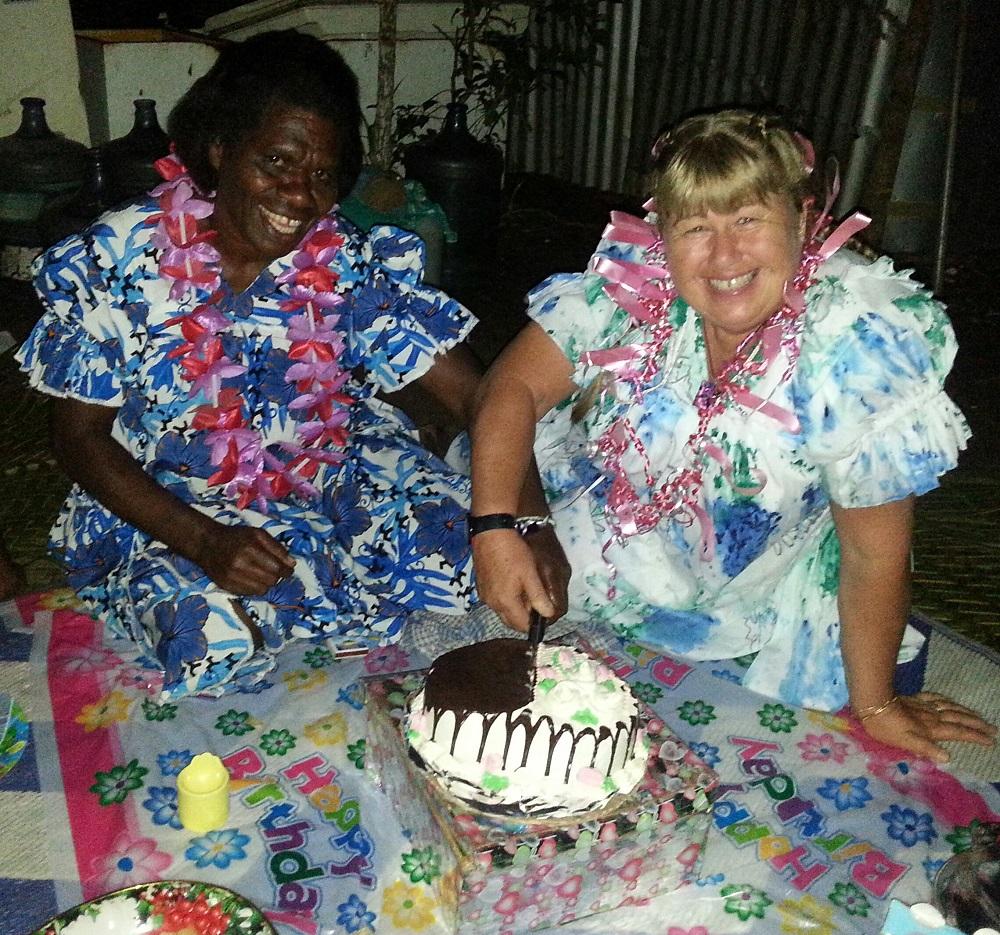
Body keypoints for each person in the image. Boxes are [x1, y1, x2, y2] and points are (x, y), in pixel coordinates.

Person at [468, 109, 996, 762]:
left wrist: (879, 703)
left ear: (801, 220)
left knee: (796, 745)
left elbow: (873, 556)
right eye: (696, 227)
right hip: (608, 534)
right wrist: (497, 526)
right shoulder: (635, 285)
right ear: (663, 234)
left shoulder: (853, 346)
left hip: (763, 589)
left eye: (748, 219)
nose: (724, 256)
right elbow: (509, 389)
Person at [16, 30, 497, 700]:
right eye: (277, 161)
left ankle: (382, 630)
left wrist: (518, 524)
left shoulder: (341, 258)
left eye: (323, 175)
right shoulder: (118, 257)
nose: (300, 196)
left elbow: (479, 397)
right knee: (208, 634)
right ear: (220, 149)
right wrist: (203, 541)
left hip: (329, 474)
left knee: (474, 550)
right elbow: (77, 439)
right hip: (168, 504)